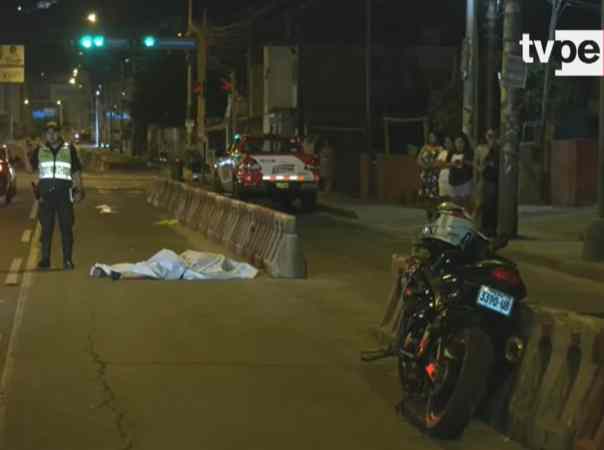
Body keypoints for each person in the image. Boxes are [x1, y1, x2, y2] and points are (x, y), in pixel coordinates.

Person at [30, 121, 85, 270]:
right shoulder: (40, 150)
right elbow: (32, 170)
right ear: (45, 135)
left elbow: (76, 171)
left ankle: (67, 260)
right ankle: (45, 260)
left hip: (64, 196)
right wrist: (36, 191)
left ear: (59, 133)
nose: (52, 135)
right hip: (46, 196)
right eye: (49, 132)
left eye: (54, 132)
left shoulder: (69, 149)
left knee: (66, 228)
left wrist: (79, 189)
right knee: (46, 229)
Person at [474, 129, 499, 236]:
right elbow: (477, 163)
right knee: (481, 204)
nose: (491, 138)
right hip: (484, 178)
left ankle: (491, 228)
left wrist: (493, 147)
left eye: (493, 136)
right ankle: (481, 227)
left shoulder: (498, 148)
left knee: (492, 205)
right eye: (489, 136)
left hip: (494, 180)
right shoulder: (481, 149)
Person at [417, 131, 446, 220]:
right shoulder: (424, 148)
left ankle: (436, 213)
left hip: (435, 175)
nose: (431, 138)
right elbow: (419, 159)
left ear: (437, 138)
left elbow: (441, 161)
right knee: (426, 195)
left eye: (433, 136)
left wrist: (431, 166)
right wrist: (424, 166)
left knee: (435, 196)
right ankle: (429, 212)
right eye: (430, 137)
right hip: (425, 175)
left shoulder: (440, 149)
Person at [447, 133, 474, 210]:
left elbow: (473, 164)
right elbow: (446, 163)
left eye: (461, 142)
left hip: (465, 182)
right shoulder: (451, 152)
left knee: (465, 206)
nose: (459, 144)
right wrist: (452, 164)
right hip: (453, 183)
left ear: (465, 143)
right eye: (457, 142)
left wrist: (464, 162)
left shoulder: (469, 152)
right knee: (454, 206)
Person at [437, 136, 454, 202]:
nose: (447, 144)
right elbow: (438, 164)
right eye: (446, 142)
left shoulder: (455, 153)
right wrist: (449, 164)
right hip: (442, 178)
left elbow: (455, 165)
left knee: (452, 198)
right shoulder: (442, 152)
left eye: (449, 142)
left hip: (452, 179)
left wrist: (444, 164)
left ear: (452, 143)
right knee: (443, 198)